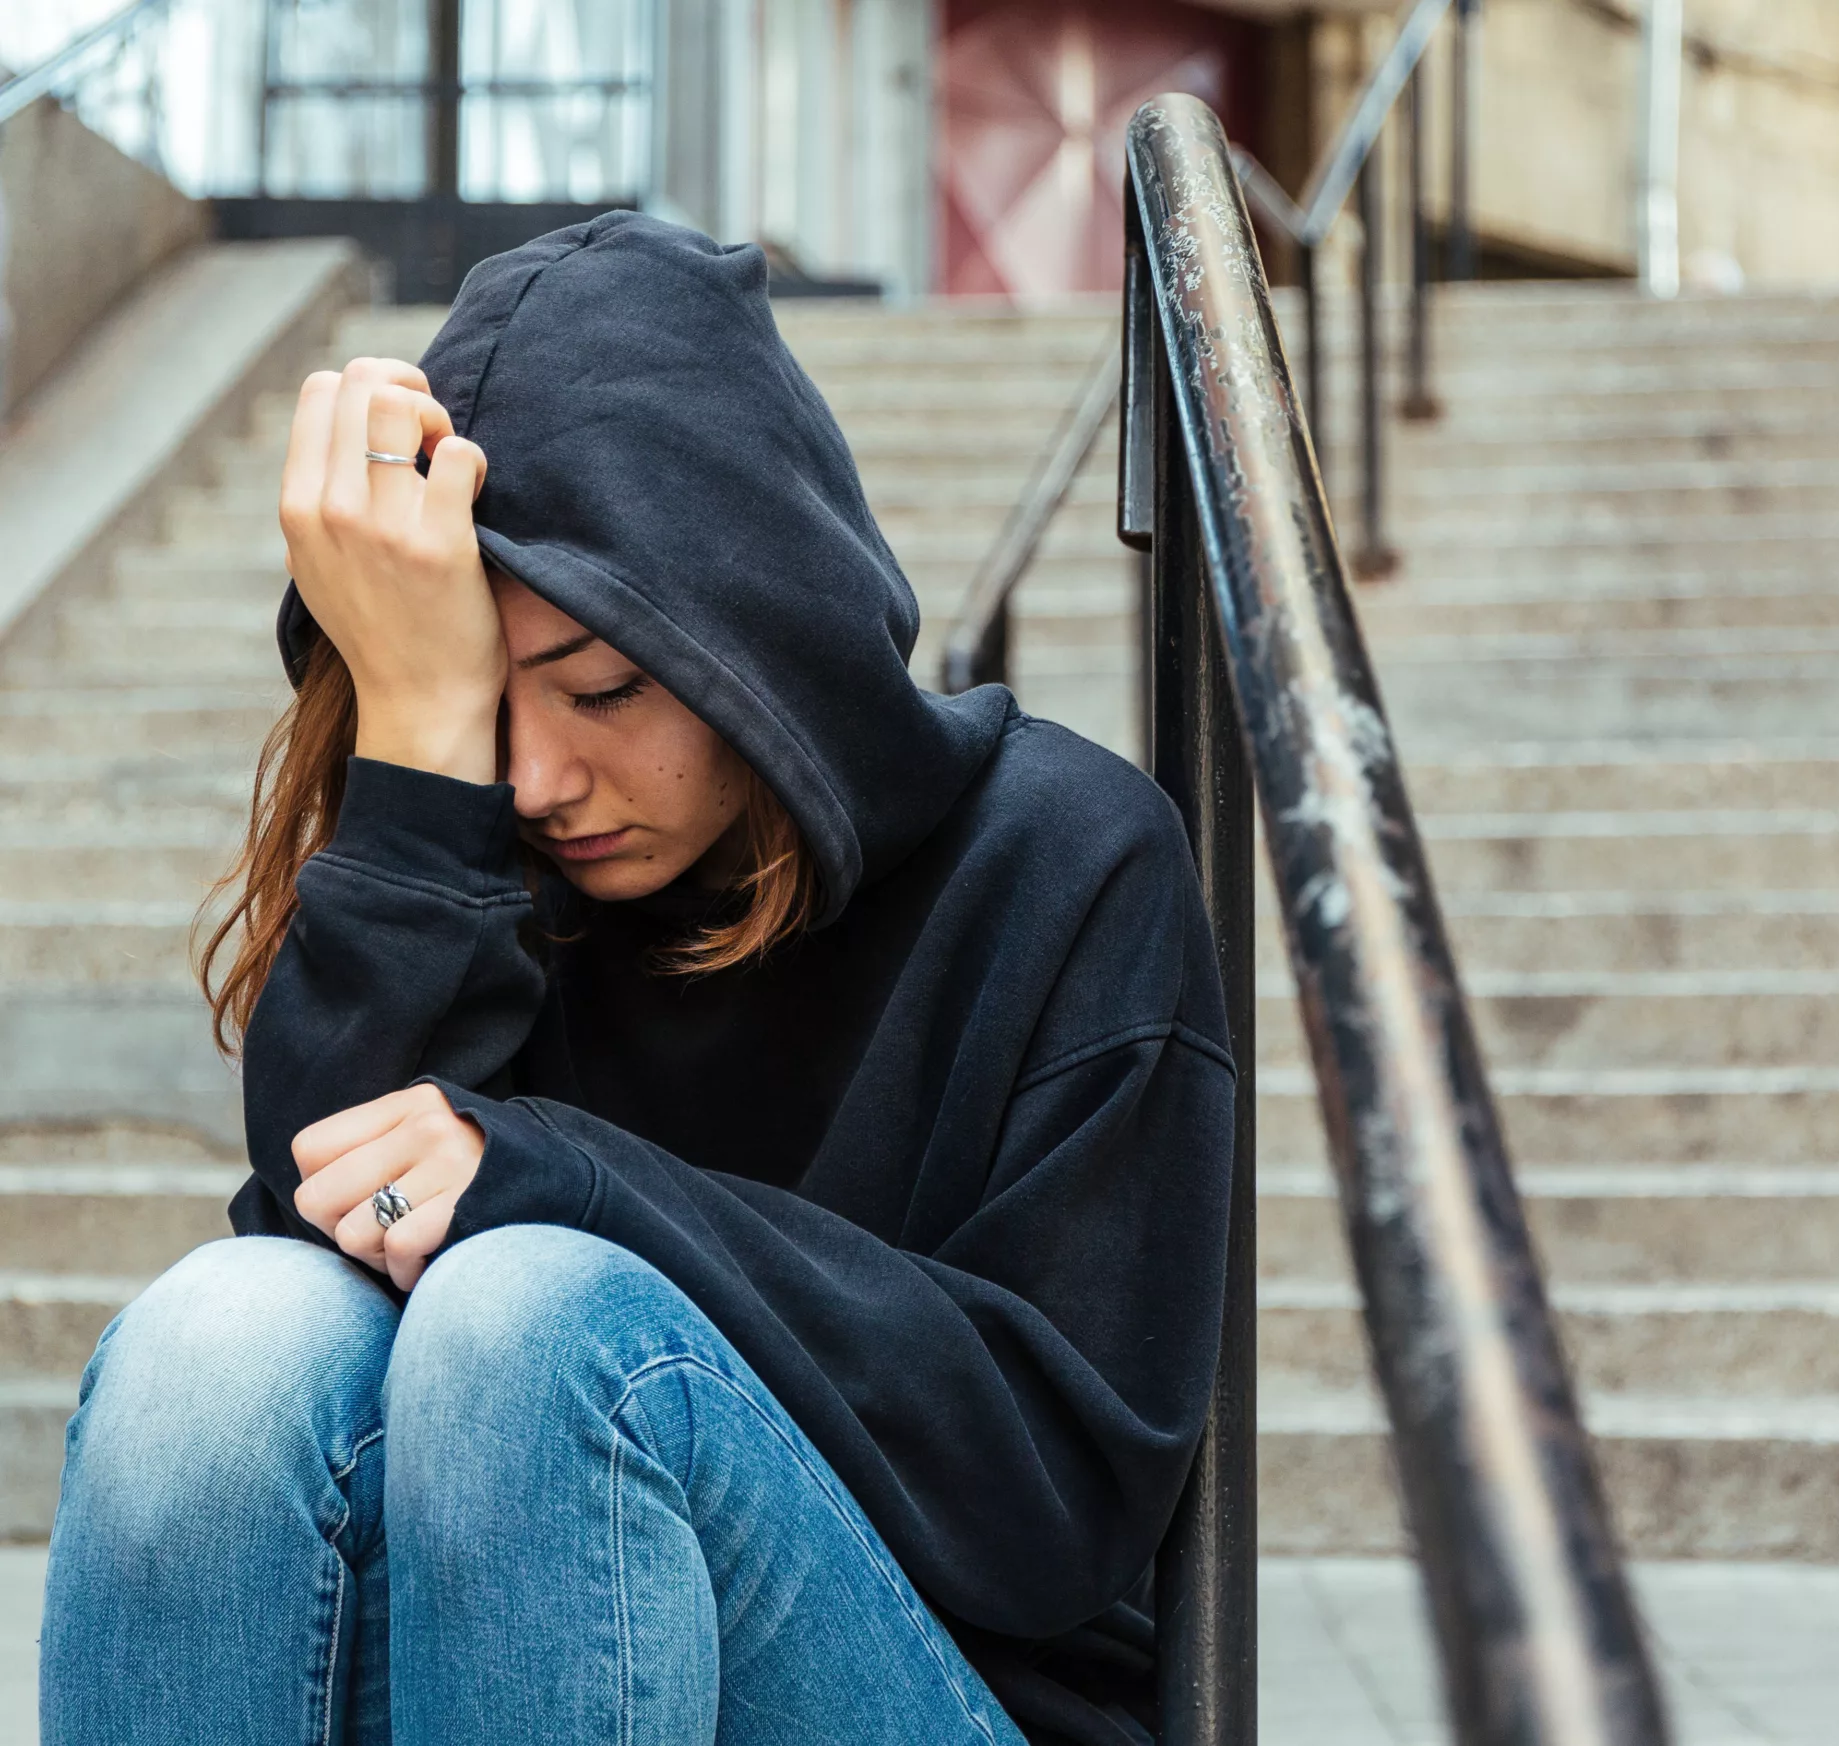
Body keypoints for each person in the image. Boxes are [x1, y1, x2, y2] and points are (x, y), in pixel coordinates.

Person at [37, 212, 1238, 1746]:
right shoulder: (491, 846)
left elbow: (1055, 1501)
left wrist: (576, 1189)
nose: (539, 778)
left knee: (528, 1318)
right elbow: (321, 1227)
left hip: (956, 1689)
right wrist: (415, 739)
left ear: (757, 632)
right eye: (486, 701)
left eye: (603, 687)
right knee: (217, 1338)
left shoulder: (1068, 858)